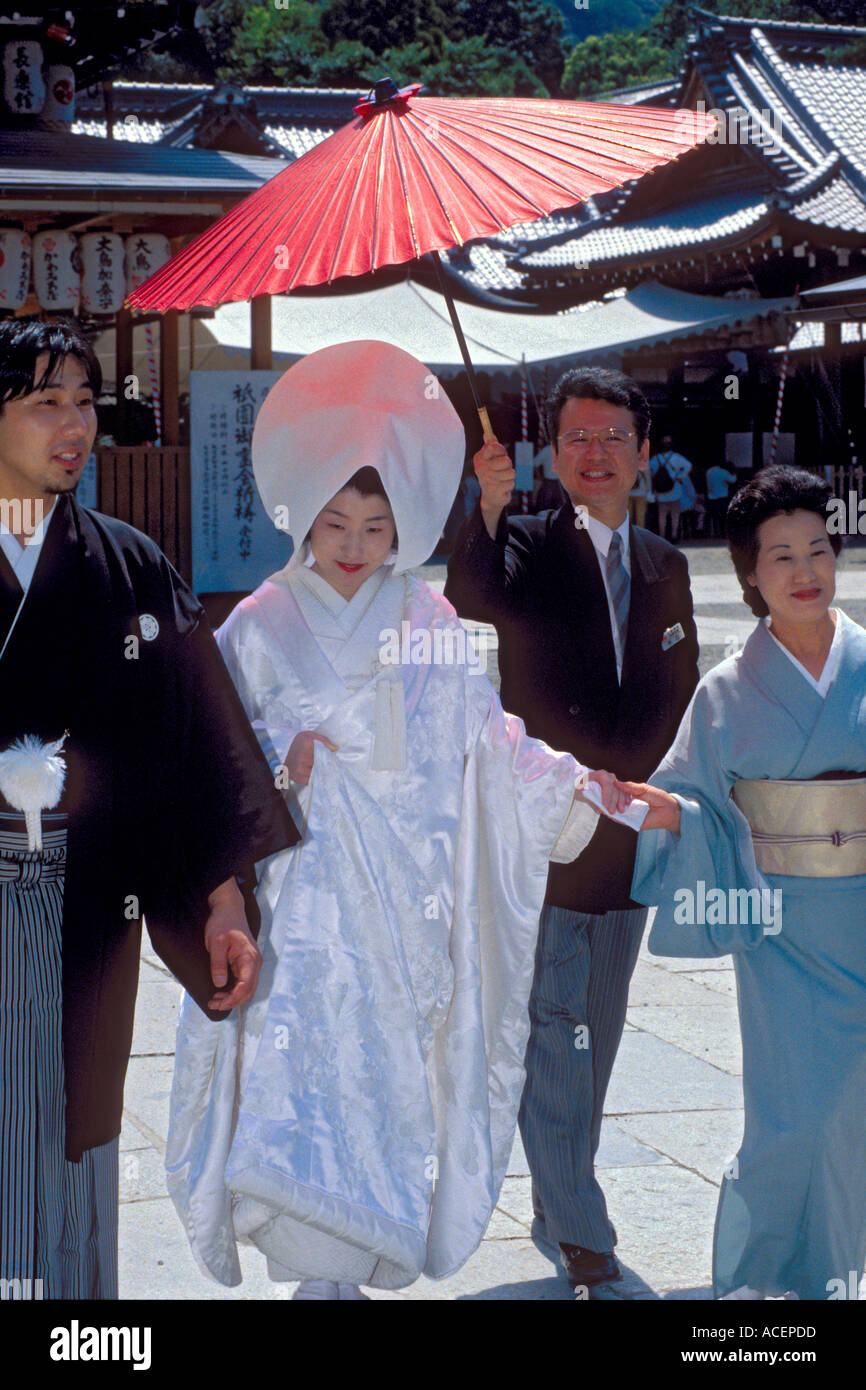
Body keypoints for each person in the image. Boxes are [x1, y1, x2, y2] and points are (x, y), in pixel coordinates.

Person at [165, 341, 624, 1300]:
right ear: (304, 515)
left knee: (383, 1088)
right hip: (299, 914)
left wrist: (587, 786)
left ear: (401, 524)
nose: (353, 543)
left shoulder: (430, 621)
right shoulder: (255, 624)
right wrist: (279, 750)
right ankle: (311, 1277)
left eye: (376, 524)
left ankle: (349, 1270)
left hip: (401, 917)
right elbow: (212, 753)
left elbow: (487, 744)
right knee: (294, 1088)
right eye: (335, 520)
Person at [0, 317, 298, 1299]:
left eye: (85, 402)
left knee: (75, 1125)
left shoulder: (126, 565)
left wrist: (221, 898)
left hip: (88, 903)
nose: (74, 425)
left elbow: (199, 741)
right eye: (45, 402)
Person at [445, 366, 699, 1297]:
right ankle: (585, 1233)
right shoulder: (516, 547)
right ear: (551, 455)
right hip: (546, 833)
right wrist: (485, 505)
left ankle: (557, 1205)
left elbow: (677, 694)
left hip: (630, 837)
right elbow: (468, 610)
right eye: (578, 439)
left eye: (614, 438)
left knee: (599, 1026)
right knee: (557, 1033)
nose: (596, 455)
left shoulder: (665, 565)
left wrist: (654, 798)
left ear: (643, 455)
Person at [619, 465, 866, 1300]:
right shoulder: (726, 692)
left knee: (857, 1121)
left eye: (820, 550)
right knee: (794, 1122)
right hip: (783, 929)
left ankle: (844, 1278)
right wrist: (666, 816)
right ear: (750, 577)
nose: (807, 572)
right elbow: (691, 797)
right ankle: (763, 1287)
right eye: (782, 556)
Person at [649, 435, 693, 542]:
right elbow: (689, 466)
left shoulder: (655, 459)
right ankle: (674, 536)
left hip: (660, 492)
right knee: (675, 515)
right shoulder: (677, 457)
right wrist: (680, 476)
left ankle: (662, 536)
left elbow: (649, 472)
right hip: (675, 490)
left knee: (662, 515)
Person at [705, 461, 738, 538]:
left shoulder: (709, 471)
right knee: (723, 517)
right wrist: (734, 472)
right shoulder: (723, 472)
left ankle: (716, 532)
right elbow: (733, 480)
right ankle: (723, 533)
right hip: (722, 498)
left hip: (711, 498)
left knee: (715, 517)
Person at [628, 461, 651, 528]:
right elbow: (648, 478)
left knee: (628, 516)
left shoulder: (625, 462)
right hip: (641, 493)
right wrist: (649, 491)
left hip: (628, 493)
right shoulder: (644, 464)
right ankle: (639, 535)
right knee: (640, 517)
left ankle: (629, 535)